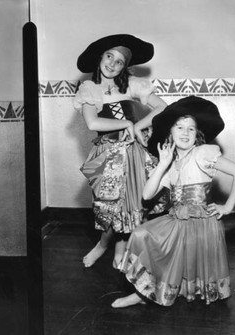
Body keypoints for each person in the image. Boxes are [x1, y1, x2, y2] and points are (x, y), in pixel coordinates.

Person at [112, 96, 235, 308]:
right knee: (142, 234)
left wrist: (228, 207)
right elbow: (147, 195)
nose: (185, 132)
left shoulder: (202, 153)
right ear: (170, 133)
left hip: (202, 223)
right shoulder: (171, 164)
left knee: (177, 254)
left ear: (197, 134)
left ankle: (150, 294)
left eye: (191, 129)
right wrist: (162, 164)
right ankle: (143, 292)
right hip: (178, 220)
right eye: (179, 127)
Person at [73, 34, 167, 268]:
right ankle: (102, 245)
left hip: (135, 152)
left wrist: (138, 125)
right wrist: (126, 124)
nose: (113, 64)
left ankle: (120, 250)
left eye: (120, 62)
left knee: (134, 205)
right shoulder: (89, 88)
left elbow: (162, 107)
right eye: (109, 56)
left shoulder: (132, 85)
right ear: (100, 57)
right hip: (109, 154)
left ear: (125, 67)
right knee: (111, 205)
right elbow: (93, 124)